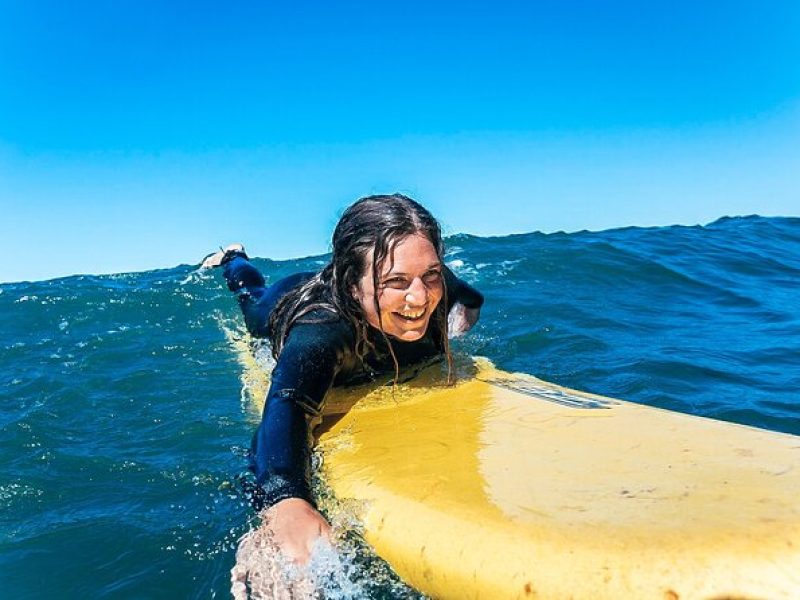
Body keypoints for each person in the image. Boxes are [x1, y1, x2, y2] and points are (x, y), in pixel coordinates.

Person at [202, 194, 484, 570]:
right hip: (285, 298)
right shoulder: (322, 331)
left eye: (430, 275)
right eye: (395, 281)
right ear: (353, 285)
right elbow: (287, 405)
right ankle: (235, 259)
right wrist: (287, 501)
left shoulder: (435, 283)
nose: (419, 297)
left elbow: (471, 299)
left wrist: (450, 327)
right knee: (251, 298)